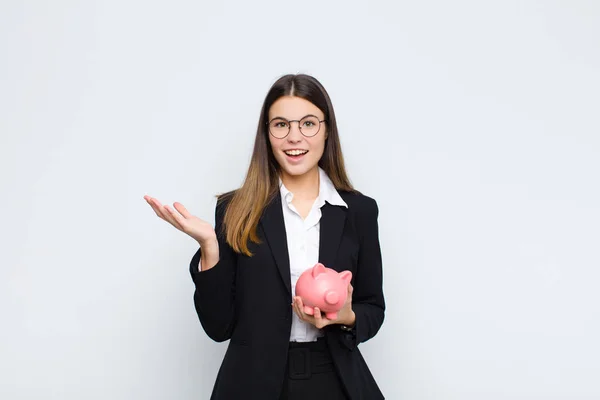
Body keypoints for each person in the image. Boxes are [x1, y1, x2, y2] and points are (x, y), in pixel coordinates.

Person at [144, 74, 385, 399]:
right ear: (267, 134)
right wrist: (209, 247)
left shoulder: (359, 211)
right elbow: (218, 328)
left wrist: (347, 317)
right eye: (281, 125)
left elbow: (373, 307)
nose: (294, 137)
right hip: (253, 383)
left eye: (309, 123)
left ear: (327, 130)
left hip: (334, 377)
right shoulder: (235, 209)